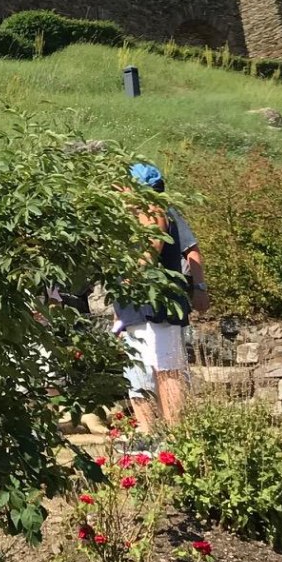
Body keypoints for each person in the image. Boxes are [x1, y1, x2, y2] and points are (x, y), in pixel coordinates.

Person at [111, 162, 208, 437]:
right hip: (134, 309)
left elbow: (155, 246)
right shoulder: (129, 216)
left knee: (167, 370)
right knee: (138, 374)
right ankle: (149, 437)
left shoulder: (156, 211)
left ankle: (175, 438)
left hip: (158, 306)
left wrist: (134, 272)